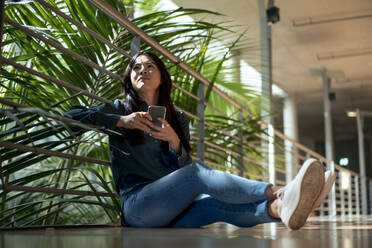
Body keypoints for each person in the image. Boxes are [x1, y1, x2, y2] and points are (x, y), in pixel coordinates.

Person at [66, 51, 335, 230]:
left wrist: (174, 142)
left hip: (173, 210)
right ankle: (282, 191)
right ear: (129, 78)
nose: (142, 70)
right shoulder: (118, 109)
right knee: (197, 174)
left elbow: (181, 173)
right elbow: (71, 118)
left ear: (161, 77)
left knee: (214, 205)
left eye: (150, 66)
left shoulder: (178, 119)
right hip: (138, 208)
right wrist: (121, 121)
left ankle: (279, 209)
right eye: (136, 67)